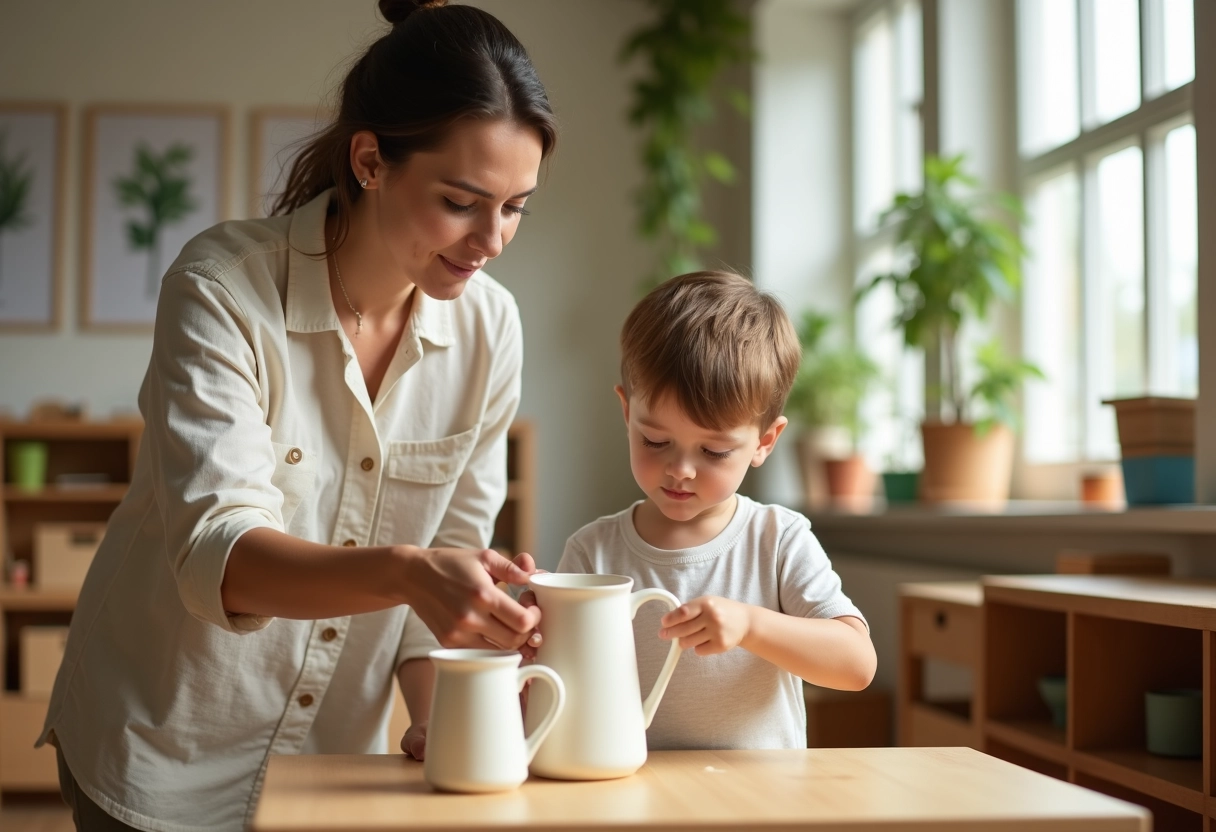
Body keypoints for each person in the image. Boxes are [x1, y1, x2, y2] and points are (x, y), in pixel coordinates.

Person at [38, 2, 555, 829]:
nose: (492, 238)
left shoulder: (491, 329)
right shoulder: (223, 290)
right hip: (157, 754)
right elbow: (223, 557)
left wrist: (434, 716)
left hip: (324, 773)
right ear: (371, 161)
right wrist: (408, 572)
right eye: (461, 201)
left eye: (516, 206)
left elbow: (446, 568)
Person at [555, 271, 877, 750]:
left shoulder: (777, 539)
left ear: (764, 442)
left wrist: (751, 625)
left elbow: (856, 665)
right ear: (627, 413)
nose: (680, 469)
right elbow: (553, 685)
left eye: (714, 452)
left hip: (759, 805)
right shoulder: (592, 552)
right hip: (633, 801)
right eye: (655, 441)